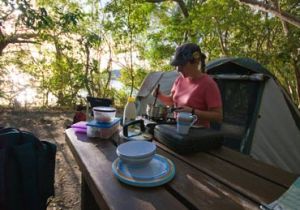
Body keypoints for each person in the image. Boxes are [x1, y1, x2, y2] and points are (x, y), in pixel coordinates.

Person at [154, 43, 223, 128]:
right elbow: (172, 102)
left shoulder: (208, 84)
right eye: (177, 65)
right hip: (178, 128)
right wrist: (159, 95)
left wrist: (192, 111)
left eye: (182, 65)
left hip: (197, 135)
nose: (178, 69)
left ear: (196, 61)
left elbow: (218, 116)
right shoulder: (179, 80)